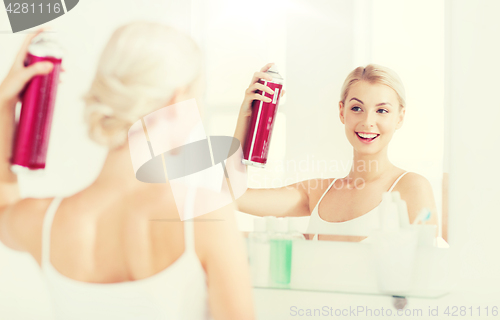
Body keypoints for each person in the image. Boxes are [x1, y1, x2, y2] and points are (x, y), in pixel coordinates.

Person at [0, 22, 254, 319]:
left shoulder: (45, 222)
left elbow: (4, 207)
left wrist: (5, 106)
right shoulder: (204, 214)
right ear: (176, 100)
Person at [234, 63, 438, 241]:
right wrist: (247, 117)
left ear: (400, 117)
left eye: (382, 111)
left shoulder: (412, 188)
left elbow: (430, 270)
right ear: (342, 111)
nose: (367, 122)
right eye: (357, 108)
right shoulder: (317, 193)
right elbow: (235, 197)